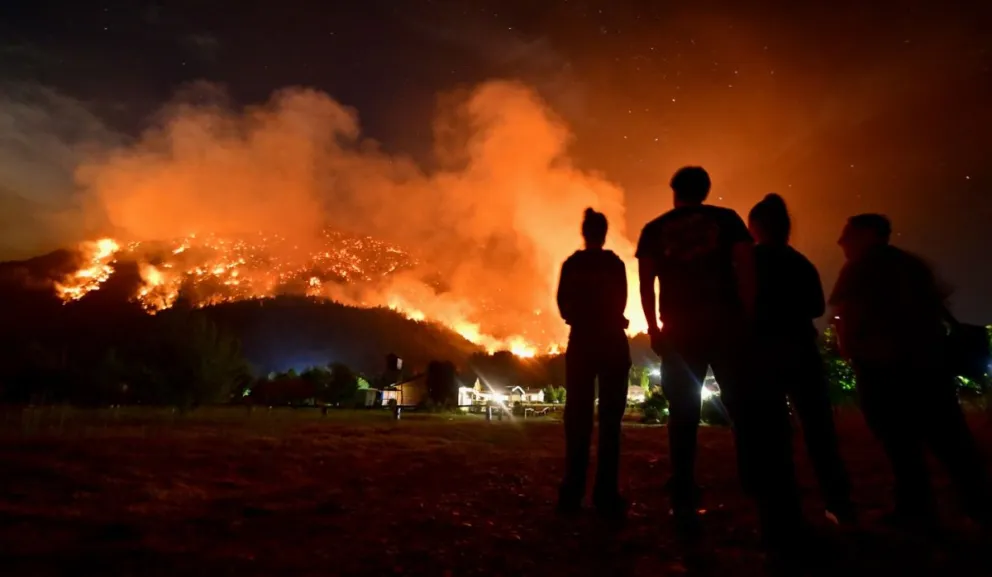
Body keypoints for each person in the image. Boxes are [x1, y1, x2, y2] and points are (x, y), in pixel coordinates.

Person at [636, 166, 802, 546]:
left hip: (680, 330)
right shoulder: (727, 220)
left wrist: (654, 328)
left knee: (683, 413)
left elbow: (645, 284)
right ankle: (757, 483)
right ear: (706, 190)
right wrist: (747, 314)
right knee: (743, 406)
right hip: (726, 325)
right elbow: (746, 267)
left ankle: (683, 488)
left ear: (675, 191)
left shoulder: (655, 229)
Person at [829, 213, 990, 531]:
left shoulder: (860, 269)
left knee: (899, 442)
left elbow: (849, 315)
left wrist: (851, 351)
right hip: (928, 364)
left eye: (848, 234)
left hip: (882, 368)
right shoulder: (911, 265)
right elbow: (937, 304)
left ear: (869, 234)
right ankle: (978, 504)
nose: (841, 241)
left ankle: (917, 508)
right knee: (950, 439)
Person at [748, 193, 855, 525]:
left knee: (772, 431)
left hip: (764, 351)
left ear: (755, 227)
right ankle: (839, 502)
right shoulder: (800, 262)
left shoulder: (749, 261)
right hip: (801, 349)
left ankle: (782, 509)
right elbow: (817, 307)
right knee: (819, 429)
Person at [556, 208, 632, 519]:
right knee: (611, 421)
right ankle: (606, 494)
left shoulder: (572, 264)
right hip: (612, 342)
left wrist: (579, 317)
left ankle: (572, 492)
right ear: (604, 233)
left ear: (584, 233)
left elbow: (562, 305)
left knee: (578, 418)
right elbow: (621, 301)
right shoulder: (615, 264)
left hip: (582, 342)